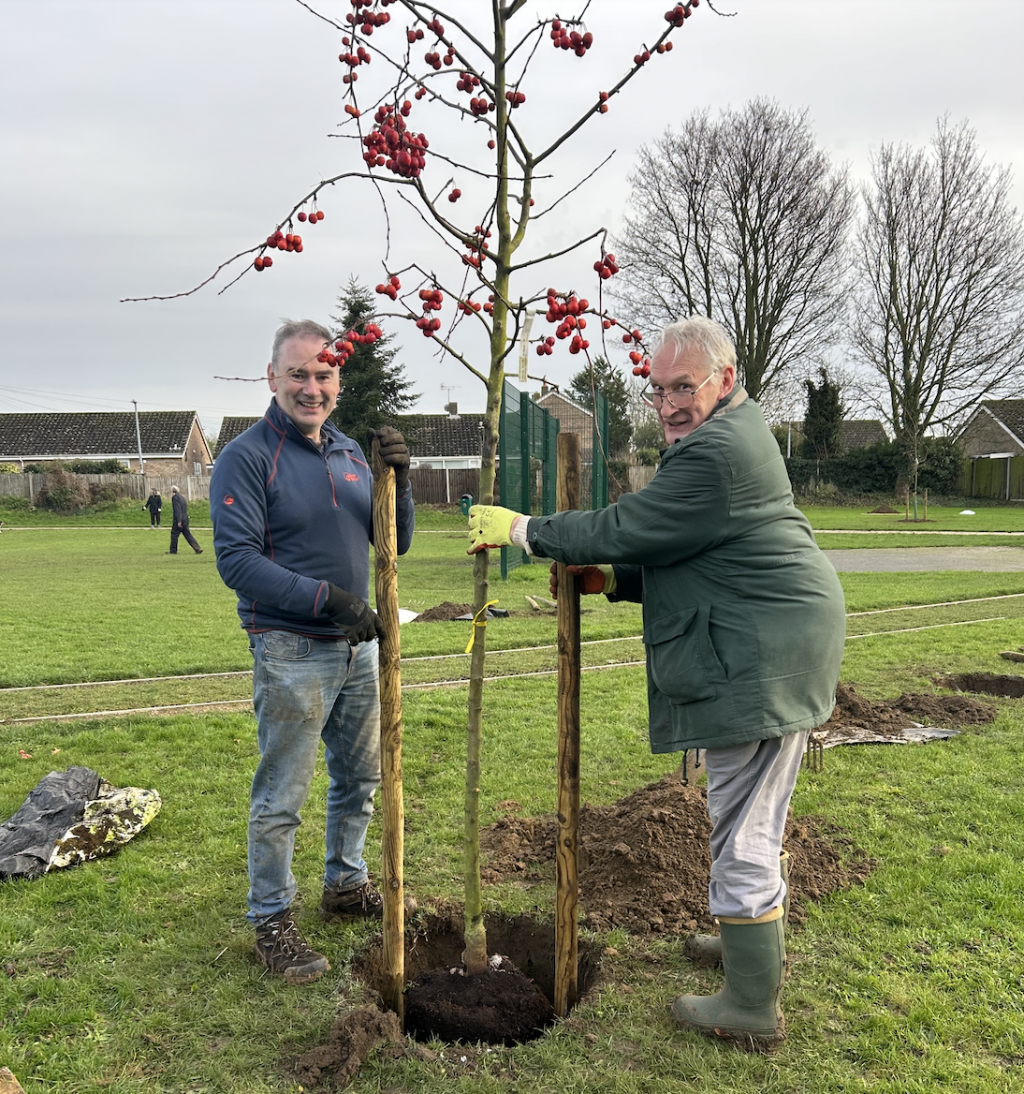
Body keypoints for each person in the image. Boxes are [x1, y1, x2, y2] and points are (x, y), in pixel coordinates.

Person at [467, 315, 845, 1050]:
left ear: (725, 381)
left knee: (743, 835)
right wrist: (611, 580)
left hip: (760, 661)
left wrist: (524, 530)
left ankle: (750, 1003)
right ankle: (745, 948)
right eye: (657, 389)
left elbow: (629, 524)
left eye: (684, 387)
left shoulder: (717, 454)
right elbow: (688, 553)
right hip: (766, 643)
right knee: (749, 821)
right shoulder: (727, 436)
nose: (668, 403)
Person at [209, 318, 414, 985]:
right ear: (272, 378)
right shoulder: (247, 456)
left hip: (356, 652)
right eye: (297, 373)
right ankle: (271, 917)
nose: (311, 387)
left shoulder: (351, 452)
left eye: (323, 375)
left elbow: (394, 544)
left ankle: (345, 884)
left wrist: (400, 481)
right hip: (291, 649)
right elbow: (237, 561)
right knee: (283, 794)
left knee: (359, 779)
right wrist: (327, 599)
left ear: (338, 381)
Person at [167, 486, 202, 554]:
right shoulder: (182, 497)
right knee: (187, 534)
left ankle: (173, 550)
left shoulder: (175, 498)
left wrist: (179, 520)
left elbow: (177, 509)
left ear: (172, 491)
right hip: (185, 518)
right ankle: (197, 548)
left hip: (180, 519)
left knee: (174, 534)